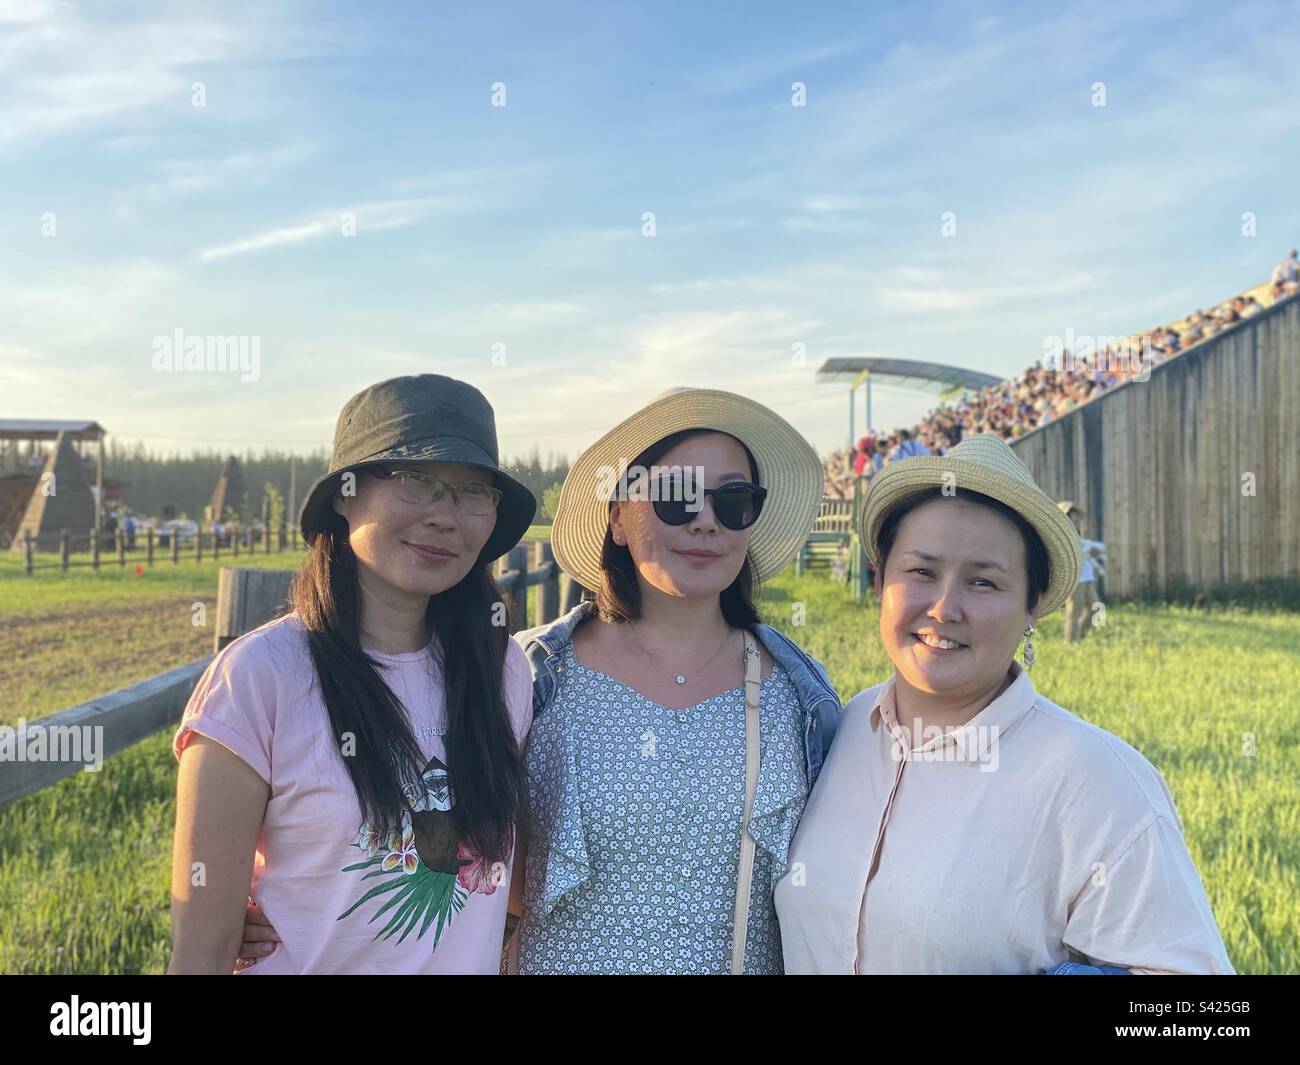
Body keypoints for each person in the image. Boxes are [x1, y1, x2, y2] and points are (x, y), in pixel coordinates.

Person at [775, 434, 1233, 974]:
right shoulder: (841, 729)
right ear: (880, 581)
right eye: (921, 572)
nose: (944, 608)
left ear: (1033, 605)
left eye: (984, 582)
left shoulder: (1097, 781)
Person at [169, 374, 537, 974]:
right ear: (344, 494)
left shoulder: (503, 673)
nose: (447, 517)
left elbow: (510, 889)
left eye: (473, 493)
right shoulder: (262, 677)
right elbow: (200, 954)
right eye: (417, 481)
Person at [511, 387, 840, 973]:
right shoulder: (530, 675)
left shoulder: (801, 695)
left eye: (733, 502)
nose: (707, 522)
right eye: (676, 498)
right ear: (617, 518)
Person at [1058, 500, 1105, 642]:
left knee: (1096, 608)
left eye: (1077, 514)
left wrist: (1092, 552)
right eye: (1073, 514)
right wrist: (1087, 550)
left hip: (1086, 576)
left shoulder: (1077, 533)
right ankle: (1071, 642)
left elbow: (1085, 552)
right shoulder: (1061, 534)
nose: (1077, 517)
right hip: (1075, 578)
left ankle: (1079, 637)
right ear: (1065, 515)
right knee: (1075, 611)